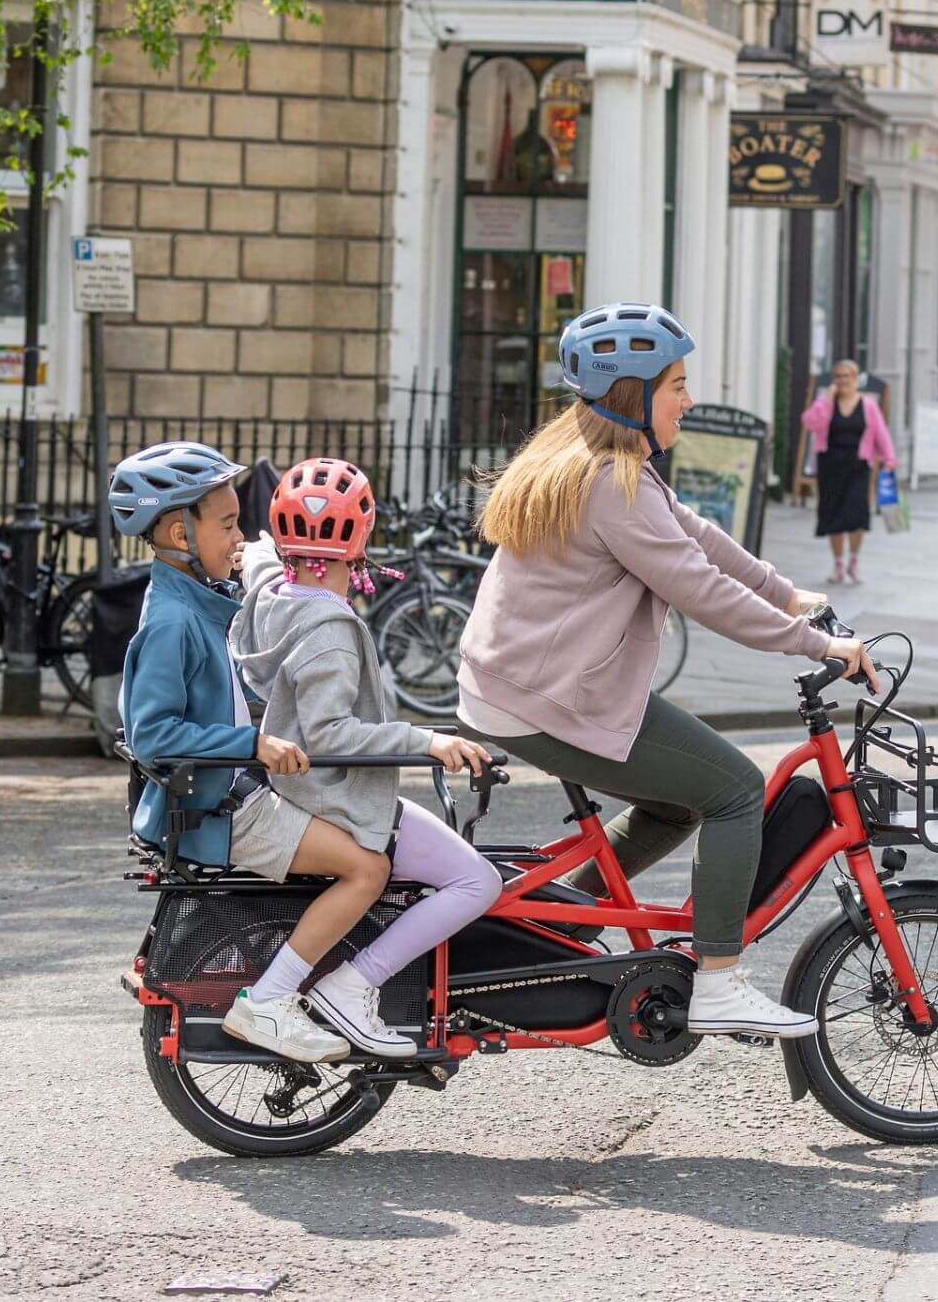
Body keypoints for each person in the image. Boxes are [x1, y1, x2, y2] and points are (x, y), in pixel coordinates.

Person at [456, 303, 877, 1040]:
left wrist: (785, 593)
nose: (688, 399)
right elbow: (699, 588)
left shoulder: (599, 462)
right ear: (634, 394)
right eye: (676, 384)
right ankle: (718, 978)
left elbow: (695, 535)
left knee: (679, 803)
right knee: (737, 791)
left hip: (520, 687)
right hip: (544, 697)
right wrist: (814, 644)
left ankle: (561, 935)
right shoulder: (609, 482)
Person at [229, 457, 500, 1058]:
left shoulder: (277, 594)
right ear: (358, 539)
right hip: (335, 798)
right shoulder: (329, 630)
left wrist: (258, 551)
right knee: (475, 881)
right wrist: (426, 740)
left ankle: (353, 984)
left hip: (313, 792)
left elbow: (263, 565)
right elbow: (329, 734)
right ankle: (350, 987)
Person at [114, 442, 350, 1063]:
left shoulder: (196, 599)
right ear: (175, 531)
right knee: (368, 865)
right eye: (226, 524)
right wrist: (254, 744)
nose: (239, 535)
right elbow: (153, 734)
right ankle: (271, 1005)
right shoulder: (171, 620)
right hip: (218, 806)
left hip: (234, 789)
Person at [801, 359, 897, 585]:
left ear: (855, 379)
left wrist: (889, 457)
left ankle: (853, 560)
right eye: (839, 376)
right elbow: (809, 423)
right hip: (830, 466)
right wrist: (826, 400)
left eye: (847, 376)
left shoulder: (868, 405)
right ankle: (838, 565)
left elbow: (881, 432)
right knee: (833, 515)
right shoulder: (826, 403)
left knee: (857, 514)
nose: (843, 380)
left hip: (858, 466)